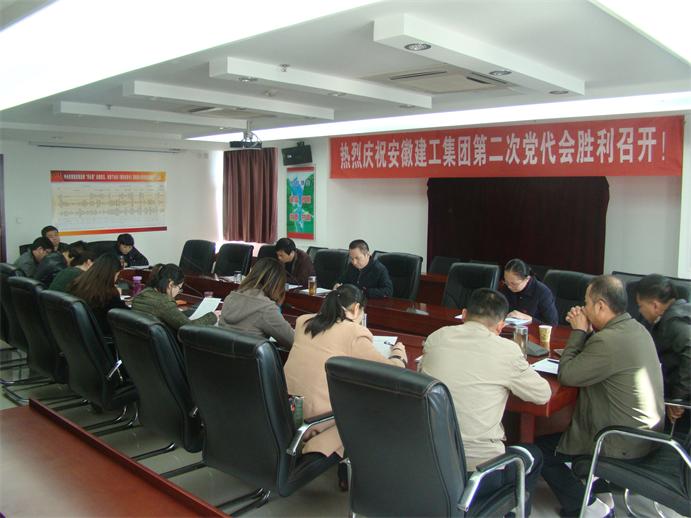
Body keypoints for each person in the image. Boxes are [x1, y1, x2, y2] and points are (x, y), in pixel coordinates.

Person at [537, 275, 664, 518]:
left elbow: (568, 375)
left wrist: (579, 331)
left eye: (586, 303)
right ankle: (599, 492)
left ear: (600, 306)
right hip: (646, 435)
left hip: (620, 441)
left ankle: (588, 508)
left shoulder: (608, 340)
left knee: (541, 451)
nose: (583, 308)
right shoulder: (636, 329)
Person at [420, 288, 550, 515]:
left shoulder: (436, 338)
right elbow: (542, 394)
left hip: (432, 463)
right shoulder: (507, 350)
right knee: (534, 455)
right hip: (480, 472)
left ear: (464, 314)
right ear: (500, 326)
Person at [284, 284, 408, 489]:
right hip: (316, 420)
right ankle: (352, 473)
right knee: (370, 406)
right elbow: (392, 371)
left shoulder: (303, 321)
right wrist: (399, 352)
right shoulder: (354, 332)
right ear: (357, 308)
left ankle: (344, 469)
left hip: (286, 410)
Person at [636, 274, 690, 428]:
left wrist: (678, 399)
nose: (640, 311)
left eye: (640, 306)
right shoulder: (680, 311)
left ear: (655, 305)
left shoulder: (674, 323)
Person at [219, 257, 294, 349]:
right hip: (248, 357)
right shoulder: (267, 308)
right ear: (277, 284)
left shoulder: (230, 297)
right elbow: (294, 342)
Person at [132, 263, 217, 332]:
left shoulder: (142, 294)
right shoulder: (165, 303)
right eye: (179, 288)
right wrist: (213, 316)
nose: (178, 291)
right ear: (171, 284)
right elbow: (189, 328)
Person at [67, 254, 130, 338]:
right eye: (117, 275)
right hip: (103, 336)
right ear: (112, 274)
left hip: (78, 334)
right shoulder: (108, 294)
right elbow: (125, 317)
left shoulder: (78, 283)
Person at [499, 258, 558, 325]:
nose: (509, 286)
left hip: (533, 330)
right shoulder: (505, 287)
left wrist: (530, 319)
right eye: (506, 282)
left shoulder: (542, 292)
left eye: (514, 284)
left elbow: (553, 323)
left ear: (527, 279)